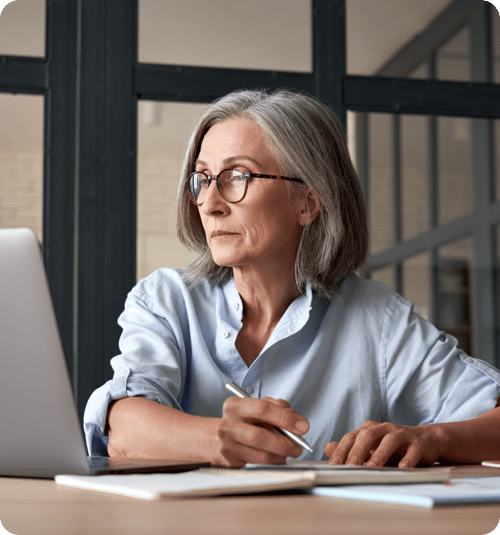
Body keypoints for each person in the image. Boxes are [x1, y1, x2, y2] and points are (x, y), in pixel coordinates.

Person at [84, 89, 500, 468]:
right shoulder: (166, 299)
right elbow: (122, 430)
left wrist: (432, 437)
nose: (208, 204)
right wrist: (216, 439)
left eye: (237, 177)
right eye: (203, 178)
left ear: (307, 202)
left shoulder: (380, 321)